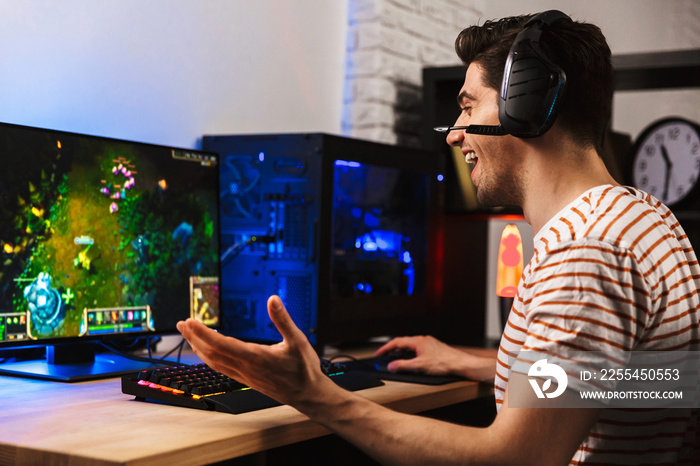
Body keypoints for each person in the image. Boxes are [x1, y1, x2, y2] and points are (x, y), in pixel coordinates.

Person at [178, 11, 700, 465]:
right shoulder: (645, 219)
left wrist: (314, 394)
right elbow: (652, 383)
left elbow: (519, 459)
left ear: (528, 104)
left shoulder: (587, 248)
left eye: (468, 107)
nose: (455, 133)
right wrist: (478, 361)